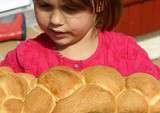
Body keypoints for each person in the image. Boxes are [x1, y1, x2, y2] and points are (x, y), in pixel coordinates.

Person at [1, 0, 160, 79]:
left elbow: (153, 91)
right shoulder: (24, 57)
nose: (55, 19)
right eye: (45, 6)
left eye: (70, 9)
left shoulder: (126, 53)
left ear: (99, 4)